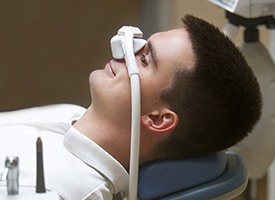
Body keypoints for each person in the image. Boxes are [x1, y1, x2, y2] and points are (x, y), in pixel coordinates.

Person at [0, 14, 262, 200]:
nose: (124, 51)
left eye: (145, 58)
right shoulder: (70, 115)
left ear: (158, 119)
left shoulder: (61, 191)